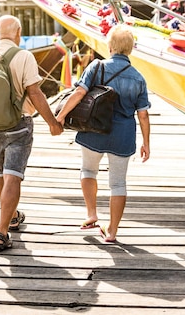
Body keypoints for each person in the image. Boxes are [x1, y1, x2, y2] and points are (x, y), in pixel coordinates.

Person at [0, 14, 63, 251]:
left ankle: (13, 217)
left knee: (1, 174)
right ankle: (1, 233)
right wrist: (53, 123)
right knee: (13, 176)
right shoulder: (24, 56)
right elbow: (35, 93)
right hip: (18, 125)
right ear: (18, 33)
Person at [56, 24, 151, 243]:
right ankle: (112, 232)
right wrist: (146, 143)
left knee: (88, 170)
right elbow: (143, 115)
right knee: (118, 183)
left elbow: (80, 92)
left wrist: (61, 117)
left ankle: (91, 213)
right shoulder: (138, 77)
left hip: (93, 130)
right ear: (131, 49)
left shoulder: (96, 66)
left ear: (109, 45)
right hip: (123, 134)